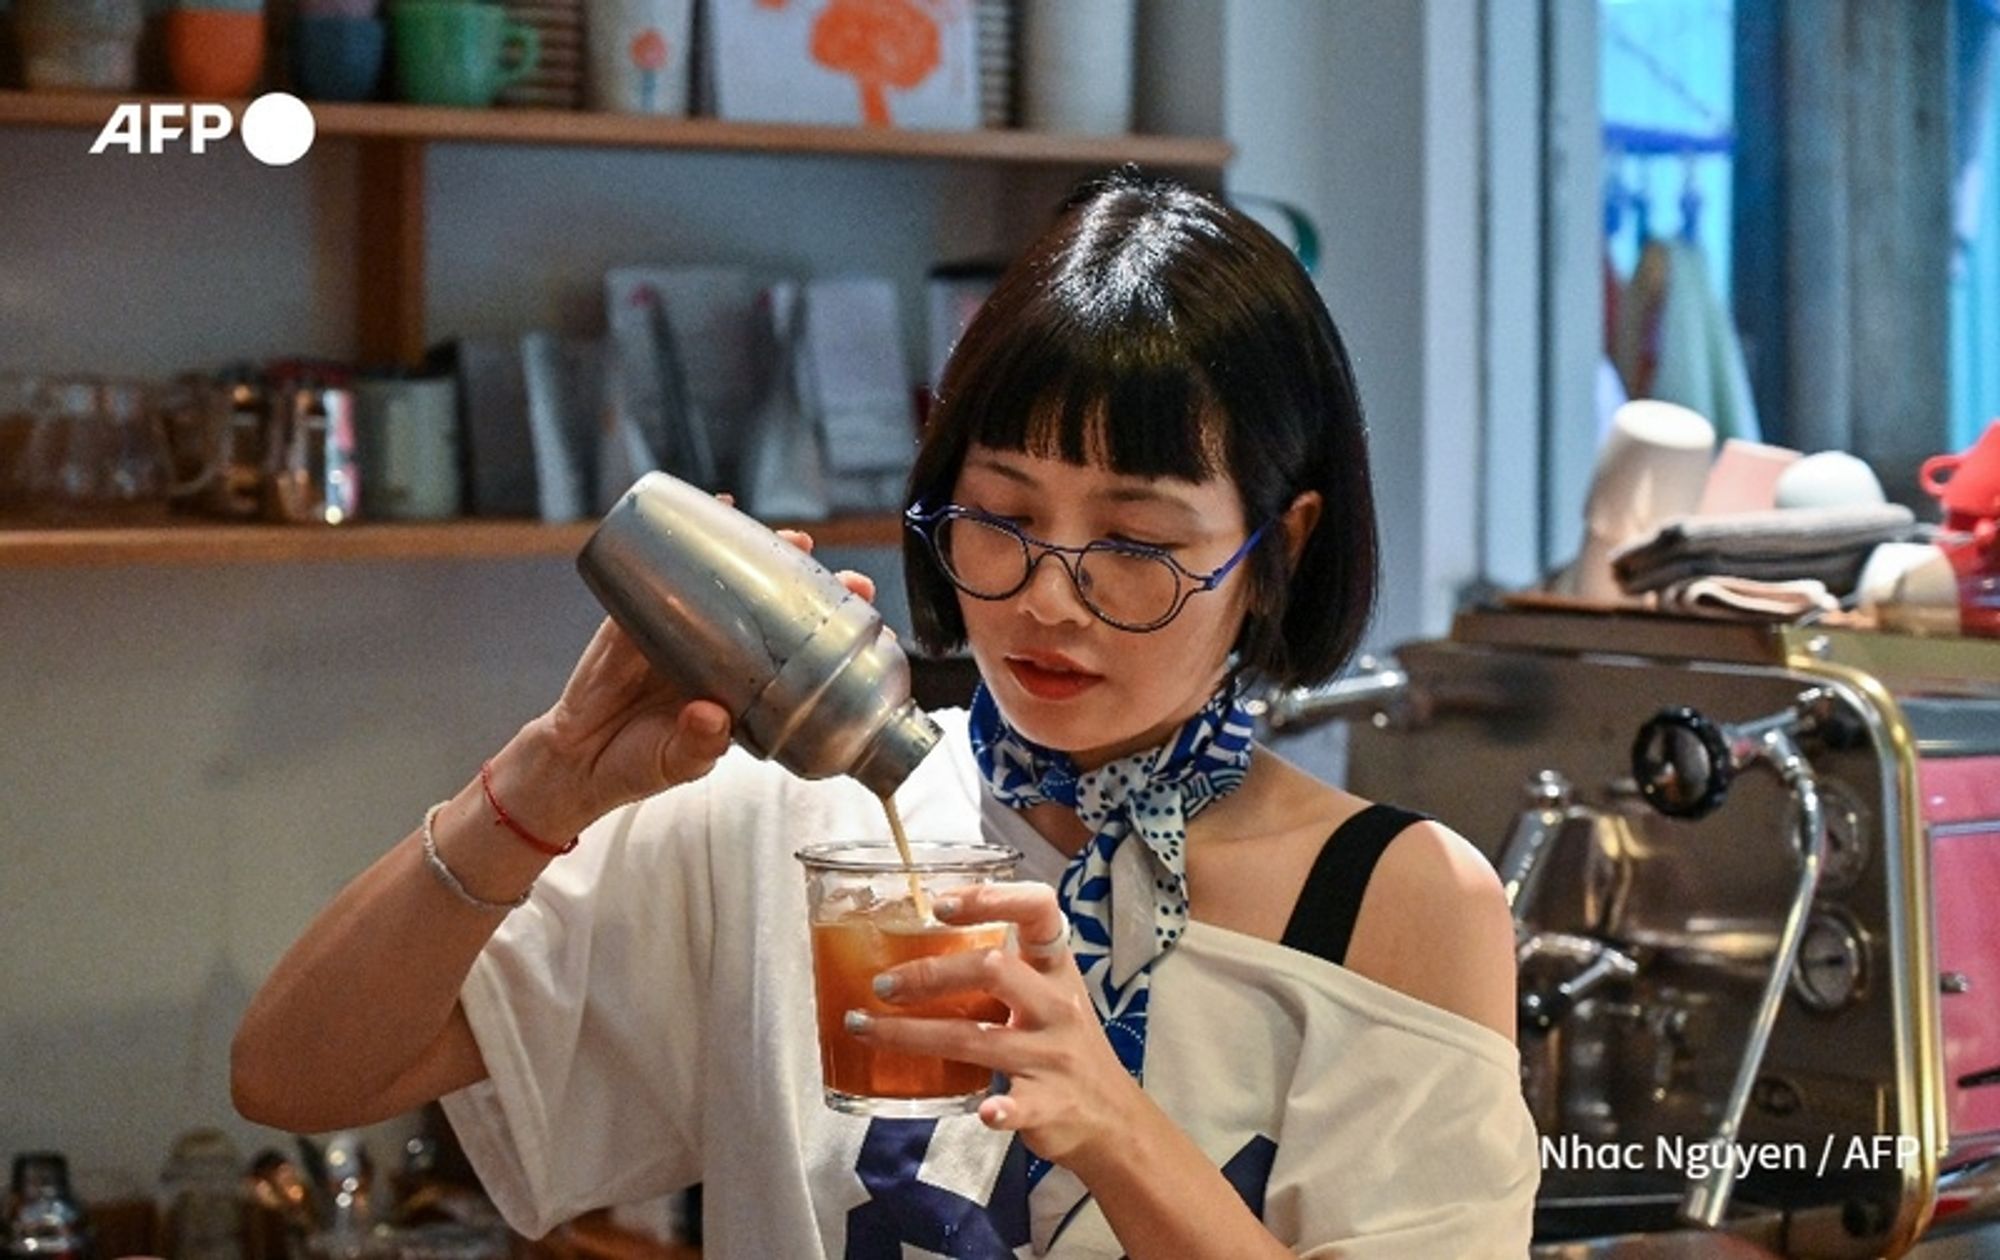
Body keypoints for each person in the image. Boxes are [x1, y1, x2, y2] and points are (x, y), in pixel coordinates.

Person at [232, 171, 1538, 1258]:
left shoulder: (1400, 901)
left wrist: (1110, 1124)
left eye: (1136, 538)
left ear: (1282, 548)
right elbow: (296, 1077)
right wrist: (548, 782)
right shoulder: (791, 822)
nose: (1045, 598)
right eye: (1004, 515)